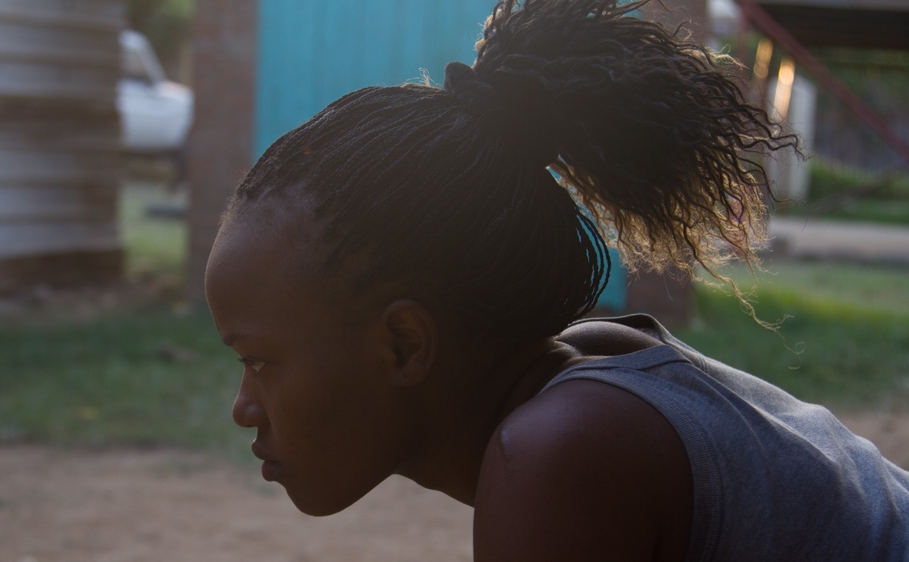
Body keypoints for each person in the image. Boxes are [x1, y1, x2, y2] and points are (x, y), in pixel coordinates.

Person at [203, 0, 909, 559]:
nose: (244, 406)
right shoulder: (600, 367)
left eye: (260, 362)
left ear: (404, 344)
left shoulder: (561, 452)